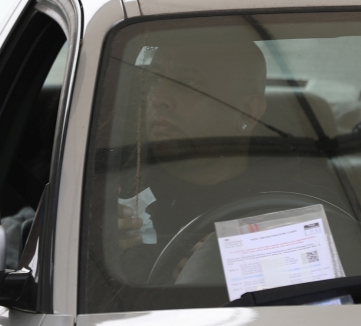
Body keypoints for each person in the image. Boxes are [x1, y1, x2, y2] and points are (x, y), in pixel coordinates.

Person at [114, 40, 269, 282]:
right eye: (154, 80)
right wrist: (98, 248)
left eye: (188, 84)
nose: (159, 98)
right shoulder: (104, 184)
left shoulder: (294, 203)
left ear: (247, 111)